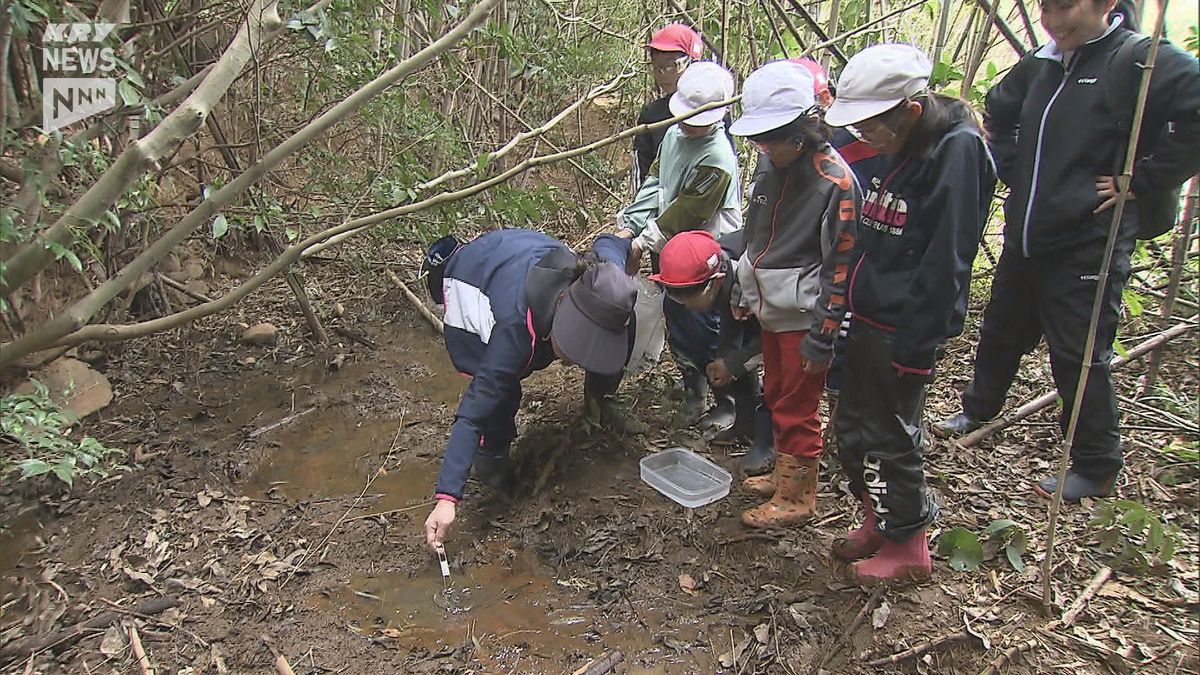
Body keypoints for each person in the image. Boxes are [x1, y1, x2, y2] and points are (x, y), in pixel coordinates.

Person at [933, 0, 1200, 501]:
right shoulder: (1045, 60)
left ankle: (1096, 463)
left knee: (1078, 353)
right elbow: (1000, 108)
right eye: (1046, 9)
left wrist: (1142, 179)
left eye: (1066, 8)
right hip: (1028, 231)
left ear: (1104, 4)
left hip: (1089, 239)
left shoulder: (1140, 60)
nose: (1054, 21)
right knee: (1001, 326)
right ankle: (979, 406)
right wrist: (1012, 166)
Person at [823, 44, 997, 582]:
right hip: (867, 312)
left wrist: (918, 348)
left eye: (871, 128)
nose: (864, 140)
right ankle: (881, 519)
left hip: (902, 324)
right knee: (852, 429)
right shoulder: (900, 143)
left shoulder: (956, 151)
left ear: (911, 111)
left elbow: (947, 257)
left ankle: (910, 544)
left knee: (892, 434)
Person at [421, 230, 637, 549]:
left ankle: (599, 405)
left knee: (621, 323)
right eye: (574, 345)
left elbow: (611, 243)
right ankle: (493, 464)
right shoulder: (513, 329)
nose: (576, 360)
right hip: (475, 277)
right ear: (563, 315)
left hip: (526, 258)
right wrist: (447, 498)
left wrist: (630, 242)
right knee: (500, 394)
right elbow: (472, 414)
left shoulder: (604, 279)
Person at [727, 60, 860, 528]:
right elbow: (755, 232)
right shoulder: (769, 165)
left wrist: (823, 338)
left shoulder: (835, 183)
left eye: (771, 140)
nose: (763, 149)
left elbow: (840, 270)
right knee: (778, 392)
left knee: (799, 404)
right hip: (769, 306)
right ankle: (787, 475)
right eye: (758, 140)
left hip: (804, 316)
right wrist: (743, 289)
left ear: (801, 131)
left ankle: (798, 498)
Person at [618, 61, 742, 425]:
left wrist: (643, 242)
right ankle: (693, 385)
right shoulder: (674, 134)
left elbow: (686, 212)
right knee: (677, 315)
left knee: (705, 323)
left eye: (695, 118)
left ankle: (726, 402)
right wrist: (629, 225)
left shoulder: (717, 159)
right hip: (669, 244)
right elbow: (656, 182)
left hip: (704, 250)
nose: (687, 122)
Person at [651, 230, 775, 474]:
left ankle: (770, 443)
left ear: (714, 282)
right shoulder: (714, 265)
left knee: (779, 379)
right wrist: (725, 358)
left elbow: (772, 336)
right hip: (747, 297)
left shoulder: (758, 275)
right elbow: (730, 317)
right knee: (733, 355)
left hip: (790, 309)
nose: (683, 303)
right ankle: (745, 425)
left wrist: (734, 362)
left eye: (687, 296)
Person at [632, 23, 704, 191]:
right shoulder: (652, 115)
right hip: (660, 207)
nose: (662, 74)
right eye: (656, 67)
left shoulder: (713, 111)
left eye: (670, 65)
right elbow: (641, 169)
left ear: (691, 63)